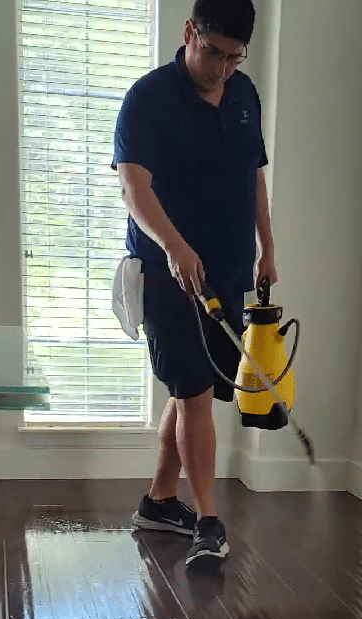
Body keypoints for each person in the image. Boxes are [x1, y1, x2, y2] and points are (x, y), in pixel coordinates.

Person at [112, 0, 277, 566]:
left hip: (230, 269)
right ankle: (208, 520)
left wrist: (268, 247)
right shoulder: (150, 99)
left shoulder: (245, 94)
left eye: (234, 58)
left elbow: (252, 175)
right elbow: (135, 188)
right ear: (189, 33)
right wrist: (175, 246)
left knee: (192, 389)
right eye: (212, 53)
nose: (222, 69)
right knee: (195, 395)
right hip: (168, 272)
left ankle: (160, 501)